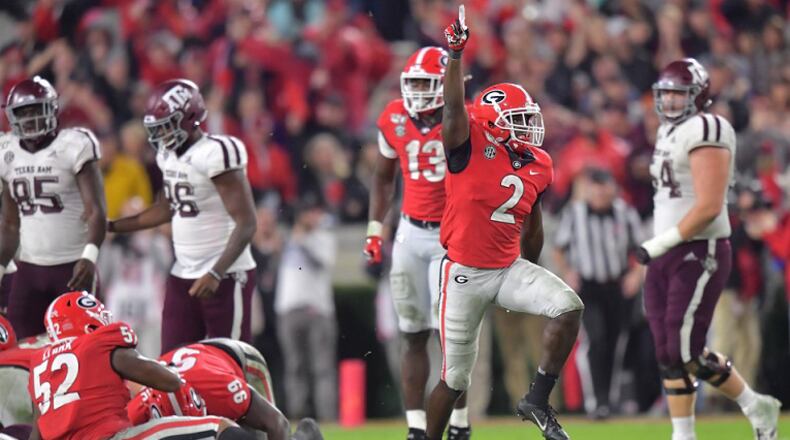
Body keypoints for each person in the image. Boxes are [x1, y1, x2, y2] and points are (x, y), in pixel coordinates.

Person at [425, 8, 584, 440]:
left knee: (569, 308)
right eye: (520, 120)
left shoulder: (539, 163)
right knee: (454, 379)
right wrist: (455, 56)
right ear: (494, 124)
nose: (530, 128)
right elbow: (454, 109)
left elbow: (532, 224)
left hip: (506, 267)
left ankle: (536, 399)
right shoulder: (467, 142)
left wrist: (528, 270)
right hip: (462, 273)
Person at [636, 58, 781, 440]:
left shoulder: (707, 126)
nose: (668, 100)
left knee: (685, 350)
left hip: (699, 249)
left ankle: (754, 404)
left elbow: (709, 205)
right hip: (665, 252)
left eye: (677, 93)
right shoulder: (668, 132)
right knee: (668, 351)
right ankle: (685, 433)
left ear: (697, 96)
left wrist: (660, 242)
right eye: (664, 93)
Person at [363, 45, 470, 440]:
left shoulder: (463, 117)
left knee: (452, 335)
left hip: (452, 236)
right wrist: (376, 230)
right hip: (409, 232)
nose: (420, 91)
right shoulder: (393, 117)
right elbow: (382, 177)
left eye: (428, 83)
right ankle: (415, 426)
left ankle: (459, 421)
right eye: (415, 83)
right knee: (412, 333)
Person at [108, 79, 258, 353]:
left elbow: (247, 223)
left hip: (225, 274)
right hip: (184, 273)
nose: (162, 135)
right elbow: (164, 210)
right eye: (158, 128)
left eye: (167, 125)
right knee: (172, 363)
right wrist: (113, 226)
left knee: (230, 364)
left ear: (190, 117)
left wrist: (216, 272)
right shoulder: (168, 156)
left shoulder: (216, 153)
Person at [28, 291, 258, 440]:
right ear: (88, 320)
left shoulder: (39, 364)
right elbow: (169, 381)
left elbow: (37, 434)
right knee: (222, 430)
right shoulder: (98, 344)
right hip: (113, 437)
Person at [0, 77, 106, 338]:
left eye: (36, 110)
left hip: (72, 268)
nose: (30, 119)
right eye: (23, 113)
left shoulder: (74, 144)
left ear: (52, 110)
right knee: (17, 351)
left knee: (82, 348)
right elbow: (11, 223)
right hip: (28, 269)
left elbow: (97, 212)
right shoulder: (6, 151)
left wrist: (89, 257)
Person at [553, 168, 644, 419]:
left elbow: (641, 250)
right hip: (589, 287)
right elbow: (559, 248)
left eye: (606, 186)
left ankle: (609, 400)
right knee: (596, 339)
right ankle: (596, 401)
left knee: (616, 343)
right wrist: (568, 273)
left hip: (617, 286)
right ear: (589, 189)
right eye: (597, 186)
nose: (602, 192)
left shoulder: (626, 213)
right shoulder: (574, 214)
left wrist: (636, 275)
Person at [127, 337, 295, 439]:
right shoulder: (136, 414)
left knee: (262, 436)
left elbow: (278, 423)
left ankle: (306, 434)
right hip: (192, 365)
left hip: (238, 360)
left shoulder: (220, 391)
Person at [275, 198, 337, 422]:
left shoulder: (323, 238)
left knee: (321, 367)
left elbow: (324, 261)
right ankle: (296, 415)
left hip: (317, 310)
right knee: (294, 366)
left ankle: (327, 417)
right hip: (289, 310)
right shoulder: (288, 239)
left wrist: (304, 242)